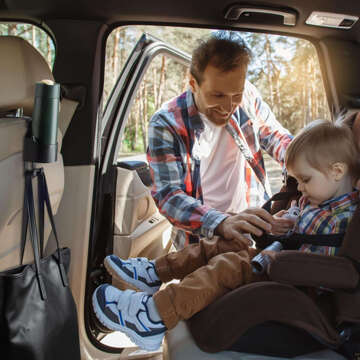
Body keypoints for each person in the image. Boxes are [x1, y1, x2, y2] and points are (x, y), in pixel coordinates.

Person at [92, 119, 360, 351]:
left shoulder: (343, 217)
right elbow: (300, 222)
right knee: (223, 245)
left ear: (337, 171)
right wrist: (281, 222)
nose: (299, 187)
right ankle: (155, 272)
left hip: (297, 279)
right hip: (276, 259)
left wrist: (280, 255)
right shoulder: (316, 199)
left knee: (227, 267)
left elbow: (321, 266)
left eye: (305, 180)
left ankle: (154, 316)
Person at [146, 30, 293, 250]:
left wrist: (307, 159)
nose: (228, 107)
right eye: (218, 96)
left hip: (253, 228)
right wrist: (221, 222)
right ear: (193, 84)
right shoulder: (165, 123)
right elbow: (169, 196)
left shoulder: (248, 97)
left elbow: (275, 137)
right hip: (199, 239)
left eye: (236, 94)